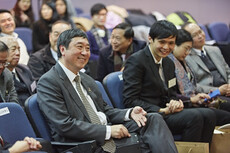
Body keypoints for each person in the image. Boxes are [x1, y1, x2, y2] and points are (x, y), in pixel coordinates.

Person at [37, 28, 178, 153]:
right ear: (62, 50)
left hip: (105, 131)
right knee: (146, 145)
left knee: (153, 119)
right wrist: (108, 131)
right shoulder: (49, 81)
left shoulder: (85, 78)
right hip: (84, 143)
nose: (85, 53)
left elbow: (105, 110)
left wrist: (129, 113)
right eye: (79, 47)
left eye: (88, 48)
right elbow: (65, 126)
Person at [123, 20, 216, 144]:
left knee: (209, 114)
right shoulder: (136, 61)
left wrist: (176, 103)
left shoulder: (168, 63)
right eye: (162, 42)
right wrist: (161, 110)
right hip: (150, 115)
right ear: (150, 39)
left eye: (171, 43)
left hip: (167, 112)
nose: (166, 47)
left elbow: (170, 95)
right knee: (195, 117)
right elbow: (130, 100)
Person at [168, 29, 230, 126]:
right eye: (186, 48)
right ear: (175, 45)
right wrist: (192, 100)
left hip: (195, 101)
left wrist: (201, 97)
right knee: (222, 115)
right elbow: (170, 94)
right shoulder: (169, 64)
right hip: (182, 105)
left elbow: (191, 86)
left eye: (189, 49)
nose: (188, 52)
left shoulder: (183, 62)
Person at [182, 23, 230, 101]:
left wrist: (228, 87)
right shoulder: (186, 57)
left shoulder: (215, 50)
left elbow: (228, 72)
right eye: (194, 35)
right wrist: (218, 90)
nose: (200, 36)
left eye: (200, 32)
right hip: (210, 95)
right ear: (187, 39)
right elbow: (192, 85)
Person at [0, 36, 36, 106]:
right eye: (13, 49)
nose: (18, 53)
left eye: (4, 63)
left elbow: (14, 102)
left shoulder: (24, 69)